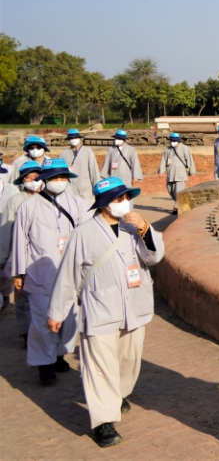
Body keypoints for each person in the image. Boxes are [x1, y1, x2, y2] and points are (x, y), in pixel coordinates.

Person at [47, 176, 164, 448]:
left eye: (125, 197)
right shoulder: (83, 233)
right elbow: (67, 276)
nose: (124, 202)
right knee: (99, 367)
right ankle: (103, 422)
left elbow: (154, 257)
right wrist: (57, 312)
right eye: (118, 198)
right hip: (100, 308)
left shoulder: (133, 228)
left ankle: (118, 394)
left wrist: (146, 229)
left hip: (134, 306)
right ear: (103, 203)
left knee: (128, 360)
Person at [11, 158, 92, 384]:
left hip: (71, 273)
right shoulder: (29, 206)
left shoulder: (78, 203)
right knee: (41, 322)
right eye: (54, 177)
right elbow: (20, 241)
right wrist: (18, 273)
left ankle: (58, 354)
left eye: (62, 177)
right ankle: (43, 364)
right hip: (40, 273)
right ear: (44, 179)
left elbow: (87, 236)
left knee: (69, 320)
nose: (59, 181)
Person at [0, 161, 43, 341]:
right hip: (22, 255)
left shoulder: (50, 198)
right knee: (22, 294)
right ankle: (26, 333)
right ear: (22, 180)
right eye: (28, 177)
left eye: (36, 176)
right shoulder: (15, 201)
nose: (33, 180)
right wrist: (3, 256)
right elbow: (6, 230)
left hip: (45, 255)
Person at [158, 133, 195, 214]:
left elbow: (189, 159)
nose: (172, 142)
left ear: (177, 141)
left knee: (178, 191)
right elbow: (164, 160)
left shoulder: (184, 148)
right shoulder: (168, 149)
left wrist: (191, 171)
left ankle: (176, 207)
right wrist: (161, 171)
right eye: (171, 140)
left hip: (180, 173)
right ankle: (182, 203)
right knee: (170, 190)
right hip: (170, 174)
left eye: (173, 140)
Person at [59, 129, 99, 204]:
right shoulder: (64, 154)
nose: (73, 139)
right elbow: (61, 173)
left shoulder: (88, 152)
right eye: (71, 138)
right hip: (70, 191)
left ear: (79, 138)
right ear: (68, 139)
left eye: (75, 137)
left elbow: (94, 172)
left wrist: (98, 190)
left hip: (86, 191)